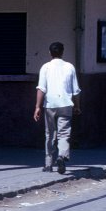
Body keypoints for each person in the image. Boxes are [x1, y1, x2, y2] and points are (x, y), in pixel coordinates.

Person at [33, 41, 81, 174]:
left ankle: (48, 164)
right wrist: (77, 106)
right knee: (64, 133)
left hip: (49, 105)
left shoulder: (45, 67)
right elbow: (75, 91)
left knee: (50, 134)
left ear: (50, 53)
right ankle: (62, 155)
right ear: (62, 52)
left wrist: (37, 107)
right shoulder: (69, 67)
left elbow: (41, 89)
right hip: (66, 104)